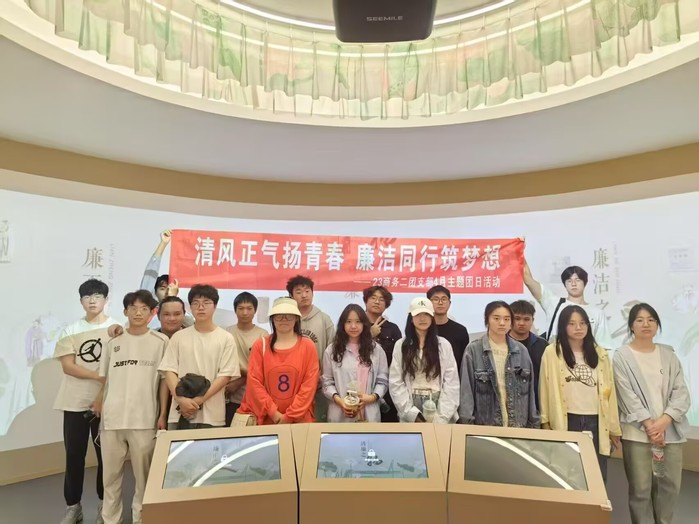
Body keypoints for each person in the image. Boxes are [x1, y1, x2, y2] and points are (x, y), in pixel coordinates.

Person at [613, 303, 691, 524]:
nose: (645, 324)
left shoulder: (669, 355)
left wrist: (664, 421)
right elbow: (626, 395)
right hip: (637, 434)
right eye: (639, 320)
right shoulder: (621, 356)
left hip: (669, 433)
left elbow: (681, 393)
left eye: (651, 320)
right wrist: (649, 425)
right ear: (631, 326)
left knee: (669, 487)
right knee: (641, 490)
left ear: (657, 324)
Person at [98, 290, 169, 524]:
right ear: (125, 311)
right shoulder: (113, 341)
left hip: (144, 419)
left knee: (144, 479)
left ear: (152, 313)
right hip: (112, 419)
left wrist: (162, 414)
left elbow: (164, 382)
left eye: (144, 308)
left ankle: (141, 518)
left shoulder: (161, 342)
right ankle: (111, 519)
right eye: (133, 308)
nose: (138, 313)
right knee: (110, 478)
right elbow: (105, 378)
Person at [54, 279, 120, 524]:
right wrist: (99, 376)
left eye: (97, 296)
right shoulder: (70, 330)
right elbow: (68, 366)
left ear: (106, 299)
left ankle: (106, 506)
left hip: (108, 403)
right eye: (87, 297)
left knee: (107, 458)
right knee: (74, 456)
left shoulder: (117, 329)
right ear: (80, 301)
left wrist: (104, 384)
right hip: (74, 402)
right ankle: (73, 506)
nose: (92, 301)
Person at [539, 305, 621, 482]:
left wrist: (614, 428)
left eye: (583, 323)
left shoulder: (600, 353)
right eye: (572, 323)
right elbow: (544, 387)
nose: (578, 328)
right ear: (563, 326)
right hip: (567, 419)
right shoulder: (552, 352)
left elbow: (610, 394)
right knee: (566, 473)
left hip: (596, 421)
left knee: (596, 475)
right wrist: (545, 422)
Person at [158, 284, 239, 429]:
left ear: (215, 306)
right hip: (179, 413)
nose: (201, 307)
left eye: (206, 303)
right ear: (190, 307)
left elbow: (225, 376)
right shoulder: (179, 337)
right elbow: (169, 370)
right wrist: (181, 400)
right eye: (196, 303)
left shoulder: (226, 338)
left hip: (212, 416)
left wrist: (196, 401)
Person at [237, 297, 320, 424]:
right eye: (279, 316)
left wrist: (290, 416)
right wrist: (274, 413)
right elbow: (254, 383)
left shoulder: (308, 346)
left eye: (289, 316)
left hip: (300, 422)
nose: (284, 319)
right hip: (266, 422)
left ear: (296, 318)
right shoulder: (260, 345)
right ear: (272, 319)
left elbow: (309, 386)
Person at [459, 301, 539, 428]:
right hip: (485, 427)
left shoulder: (521, 351)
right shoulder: (474, 350)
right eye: (496, 318)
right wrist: (467, 425)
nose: (502, 323)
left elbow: (530, 394)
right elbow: (466, 392)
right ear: (487, 320)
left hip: (517, 426)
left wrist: (533, 425)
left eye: (506, 319)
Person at [388, 297, 460, 423]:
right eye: (418, 314)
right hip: (410, 403)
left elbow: (451, 383)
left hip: (439, 404)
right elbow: (396, 382)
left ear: (432, 317)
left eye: (426, 314)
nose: (422, 318)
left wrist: (441, 417)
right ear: (411, 318)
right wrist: (412, 414)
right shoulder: (401, 345)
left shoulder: (443, 345)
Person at [322, 304, 389, 423]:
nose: (353, 326)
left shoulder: (376, 350)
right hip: (340, 414)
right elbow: (327, 382)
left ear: (364, 324)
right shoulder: (332, 350)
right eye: (349, 322)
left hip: (369, 413)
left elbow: (382, 380)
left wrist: (372, 397)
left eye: (358, 322)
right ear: (342, 324)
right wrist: (340, 401)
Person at [524, 261, 611, 347]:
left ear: (584, 283)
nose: (573, 284)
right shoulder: (554, 303)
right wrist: (519, 254)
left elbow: (604, 347)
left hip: (586, 355)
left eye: (578, 280)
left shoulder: (597, 313)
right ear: (565, 284)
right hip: (555, 355)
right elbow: (528, 280)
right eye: (569, 281)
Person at [286, 275, 335, 422]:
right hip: (292, 385)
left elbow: (332, 351)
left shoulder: (324, 319)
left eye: (307, 291)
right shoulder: (287, 319)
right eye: (299, 292)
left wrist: (323, 377)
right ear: (291, 296)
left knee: (318, 424)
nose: (304, 295)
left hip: (319, 385)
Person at [224, 292, 269, 426]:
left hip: (254, 395)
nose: (245, 312)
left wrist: (240, 381)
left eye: (249, 308)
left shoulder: (263, 335)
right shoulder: (227, 333)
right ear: (235, 310)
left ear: (255, 310)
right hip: (229, 395)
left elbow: (264, 369)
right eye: (241, 308)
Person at [362, 285, 402, 422]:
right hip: (361, 386)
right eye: (373, 298)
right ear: (366, 300)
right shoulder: (355, 325)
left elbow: (399, 359)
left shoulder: (393, 329)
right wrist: (369, 334)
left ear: (386, 305)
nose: (377, 302)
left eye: (381, 299)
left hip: (386, 389)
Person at [509, 299, 548, 410]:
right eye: (517, 319)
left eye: (526, 319)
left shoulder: (543, 345)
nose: (521, 323)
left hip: (536, 404)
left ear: (532, 320)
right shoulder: (501, 344)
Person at [426, 286, 470, 372]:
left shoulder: (460, 331)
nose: (440, 302)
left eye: (444, 299)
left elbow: (464, 363)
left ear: (449, 303)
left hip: (455, 378)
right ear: (428, 303)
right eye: (436, 299)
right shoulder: (423, 329)